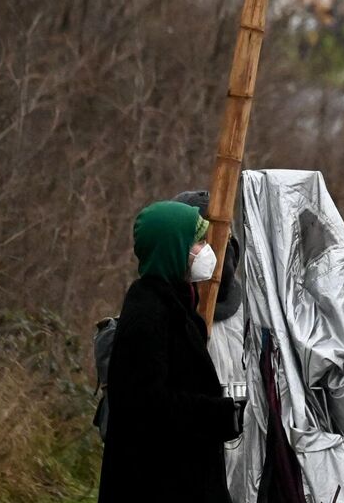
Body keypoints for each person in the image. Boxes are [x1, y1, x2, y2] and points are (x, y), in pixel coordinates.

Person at [99, 201, 244, 503]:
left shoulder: (176, 304)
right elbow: (148, 405)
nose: (206, 249)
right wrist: (218, 413)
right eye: (199, 241)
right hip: (158, 480)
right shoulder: (148, 316)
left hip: (180, 474)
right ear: (173, 247)